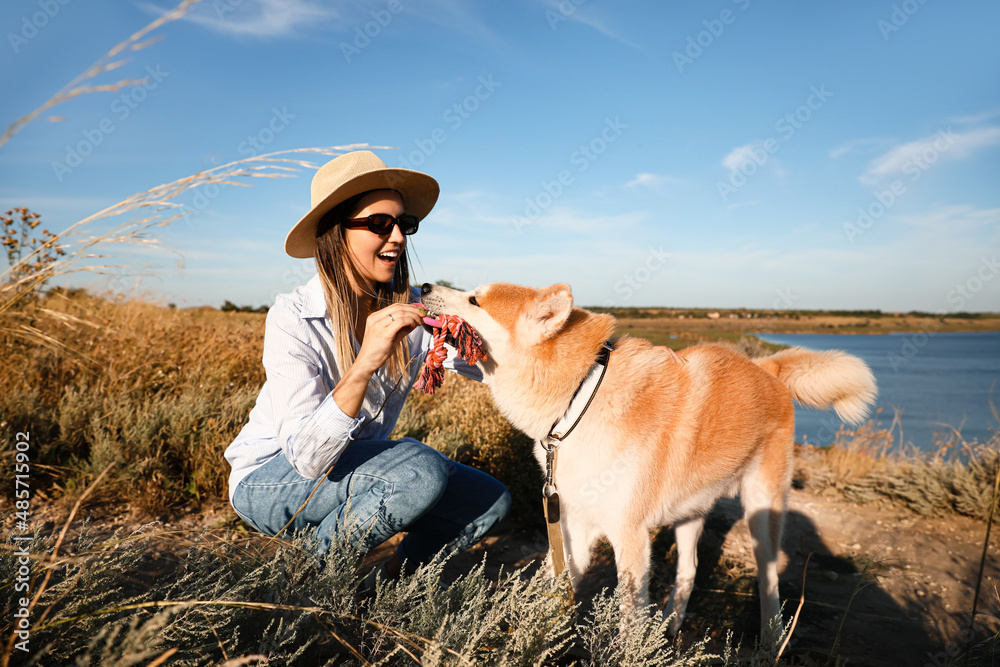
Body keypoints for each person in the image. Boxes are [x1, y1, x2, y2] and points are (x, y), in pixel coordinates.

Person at [224, 150, 511, 580]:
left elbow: (485, 360)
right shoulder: (294, 316)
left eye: (404, 224)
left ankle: (392, 590)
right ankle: (304, 588)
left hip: (353, 466)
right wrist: (364, 364)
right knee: (418, 470)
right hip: (269, 479)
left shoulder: (415, 310)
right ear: (337, 232)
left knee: (487, 500)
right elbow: (307, 458)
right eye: (380, 223)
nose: (397, 237)